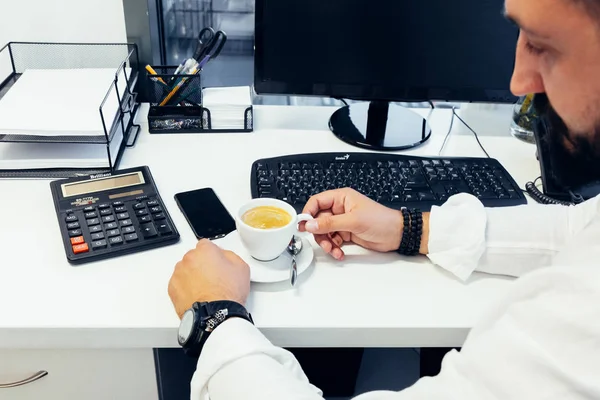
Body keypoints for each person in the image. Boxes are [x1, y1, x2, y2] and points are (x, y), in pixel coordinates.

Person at [168, 0, 600, 398]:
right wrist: (408, 227)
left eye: (544, 46)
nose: (518, 81)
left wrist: (216, 320)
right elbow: (575, 228)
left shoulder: (582, 315)